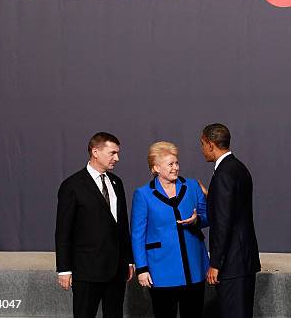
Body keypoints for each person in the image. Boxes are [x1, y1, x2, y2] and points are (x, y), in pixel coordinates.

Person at [55, 132, 134, 318]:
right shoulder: (72, 185)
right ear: (95, 151)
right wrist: (64, 268)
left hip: (116, 269)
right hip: (86, 270)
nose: (117, 158)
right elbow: (63, 230)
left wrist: (128, 260)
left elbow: (122, 226)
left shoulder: (117, 182)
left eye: (118, 153)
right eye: (112, 153)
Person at [131, 141, 209, 318]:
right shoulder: (143, 194)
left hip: (194, 266)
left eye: (176, 163)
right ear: (156, 168)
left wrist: (197, 220)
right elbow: (137, 234)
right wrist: (142, 269)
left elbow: (208, 217)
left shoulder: (192, 186)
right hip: (161, 268)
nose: (175, 168)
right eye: (170, 164)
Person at [200, 123, 261, 318]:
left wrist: (215, 263)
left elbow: (224, 222)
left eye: (202, 144)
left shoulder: (224, 173)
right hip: (243, 260)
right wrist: (212, 198)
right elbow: (233, 208)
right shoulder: (238, 167)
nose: (202, 149)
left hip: (232, 264)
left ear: (211, 144)